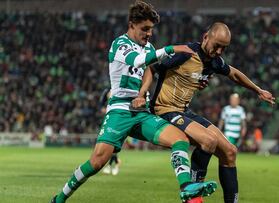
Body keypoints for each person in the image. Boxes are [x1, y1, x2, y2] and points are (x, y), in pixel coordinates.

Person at [50, 1, 217, 202]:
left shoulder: (149, 47)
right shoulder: (120, 44)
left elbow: (147, 72)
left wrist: (142, 94)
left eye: (151, 30)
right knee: (96, 162)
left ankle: (186, 187)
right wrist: (173, 48)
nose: (148, 34)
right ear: (131, 25)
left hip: (141, 113)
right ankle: (59, 198)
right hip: (120, 111)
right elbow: (138, 61)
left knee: (179, 139)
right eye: (144, 29)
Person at [133, 22, 275, 203]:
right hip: (164, 109)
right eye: (217, 46)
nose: (219, 52)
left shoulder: (214, 62)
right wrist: (141, 93)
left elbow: (234, 74)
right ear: (205, 37)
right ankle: (193, 196)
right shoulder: (185, 53)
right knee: (209, 140)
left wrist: (258, 90)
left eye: (224, 48)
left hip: (183, 111)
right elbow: (151, 68)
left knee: (230, 152)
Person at [99, 88, 121, 175]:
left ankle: (109, 165)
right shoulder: (108, 89)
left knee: (112, 143)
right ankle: (115, 163)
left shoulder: (121, 88)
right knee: (110, 143)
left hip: (119, 118)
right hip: (109, 117)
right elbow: (101, 102)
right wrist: (102, 108)